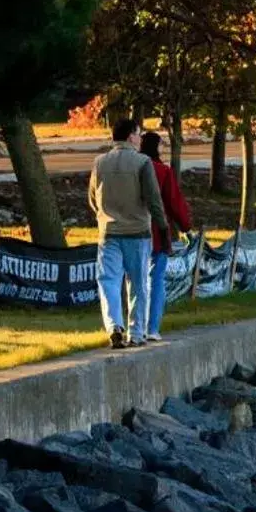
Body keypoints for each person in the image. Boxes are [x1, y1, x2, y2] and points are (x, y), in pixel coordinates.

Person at [87, 117, 167, 348]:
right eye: (139, 134)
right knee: (138, 284)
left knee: (109, 281)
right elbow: (153, 199)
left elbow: (93, 198)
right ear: (131, 135)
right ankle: (137, 332)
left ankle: (114, 326)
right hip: (137, 232)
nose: (141, 138)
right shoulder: (143, 162)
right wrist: (161, 225)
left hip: (108, 232)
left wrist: (104, 217)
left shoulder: (99, 162)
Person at [138, 130, 193, 343]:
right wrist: (186, 226)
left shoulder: (135, 168)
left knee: (136, 281)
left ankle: (136, 326)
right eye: (161, 144)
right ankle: (152, 327)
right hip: (158, 233)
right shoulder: (162, 171)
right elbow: (174, 202)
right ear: (156, 146)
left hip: (134, 231)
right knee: (157, 280)